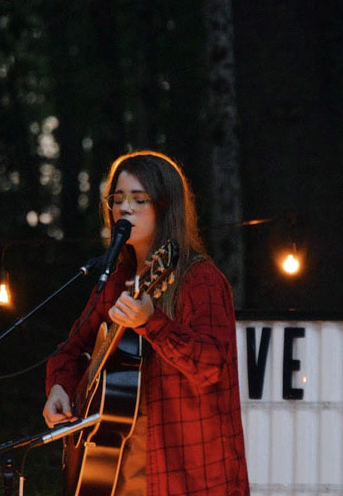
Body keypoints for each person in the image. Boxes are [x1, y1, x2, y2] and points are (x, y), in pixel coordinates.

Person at [42, 150, 250, 496]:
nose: (124, 209)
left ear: (166, 207)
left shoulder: (200, 280)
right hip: (115, 473)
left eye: (139, 200)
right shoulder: (116, 280)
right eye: (117, 199)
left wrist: (153, 322)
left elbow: (212, 366)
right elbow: (70, 349)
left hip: (184, 473)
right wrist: (60, 387)